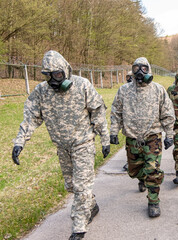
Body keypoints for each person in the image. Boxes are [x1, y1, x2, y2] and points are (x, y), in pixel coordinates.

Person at [12, 50, 110, 240]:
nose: (54, 81)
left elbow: (98, 112)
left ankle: (78, 228)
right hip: (62, 147)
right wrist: (20, 142)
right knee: (72, 185)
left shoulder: (82, 85)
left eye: (57, 75)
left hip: (83, 144)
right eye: (49, 76)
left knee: (81, 186)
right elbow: (31, 117)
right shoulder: (42, 91)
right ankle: (91, 206)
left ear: (65, 71)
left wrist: (105, 139)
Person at [110, 57, 175, 218]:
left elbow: (167, 113)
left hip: (152, 137)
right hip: (132, 138)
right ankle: (142, 178)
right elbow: (116, 112)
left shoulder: (158, 89)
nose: (140, 72)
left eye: (144, 68)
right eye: (136, 68)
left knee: (153, 170)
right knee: (134, 170)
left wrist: (170, 134)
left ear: (149, 70)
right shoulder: (124, 90)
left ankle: (153, 202)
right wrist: (113, 132)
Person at [122, 70, 134, 172]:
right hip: (128, 125)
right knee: (129, 147)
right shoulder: (124, 90)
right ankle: (129, 161)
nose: (130, 79)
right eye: (128, 77)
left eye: (131, 77)